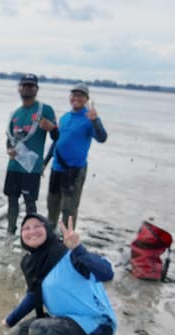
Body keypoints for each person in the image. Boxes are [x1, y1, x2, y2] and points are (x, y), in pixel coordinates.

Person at [1, 214, 116, 335]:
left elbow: (107, 273)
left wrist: (78, 249)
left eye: (37, 226)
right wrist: (9, 320)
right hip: (64, 320)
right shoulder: (30, 263)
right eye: (26, 228)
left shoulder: (69, 253)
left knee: (39, 330)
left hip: (98, 326)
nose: (31, 231)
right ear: (21, 236)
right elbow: (34, 295)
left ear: (47, 228)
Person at [46, 83, 107, 229]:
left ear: (86, 99)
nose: (76, 98)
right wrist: (45, 162)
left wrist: (95, 120)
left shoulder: (89, 119)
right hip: (56, 168)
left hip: (74, 170)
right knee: (52, 204)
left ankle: (67, 241)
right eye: (74, 95)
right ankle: (50, 236)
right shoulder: (65, 117)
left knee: (69, 209)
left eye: (80, 95)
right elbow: (57, 142)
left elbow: (102, 138)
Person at [4, 73, 59, 235]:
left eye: (31, 86)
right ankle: (10, 231)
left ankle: (30, 235)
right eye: (24, 86)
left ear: (36, 89)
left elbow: (57, 138)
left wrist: (52, 128)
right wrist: (9, 150)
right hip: (14, 165)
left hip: (31, 168)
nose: (27, 89)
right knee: (12, 200)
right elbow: (9, 138)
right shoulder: (15, 113)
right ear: (19, 88)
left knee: (30, 203)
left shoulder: (45, 110)